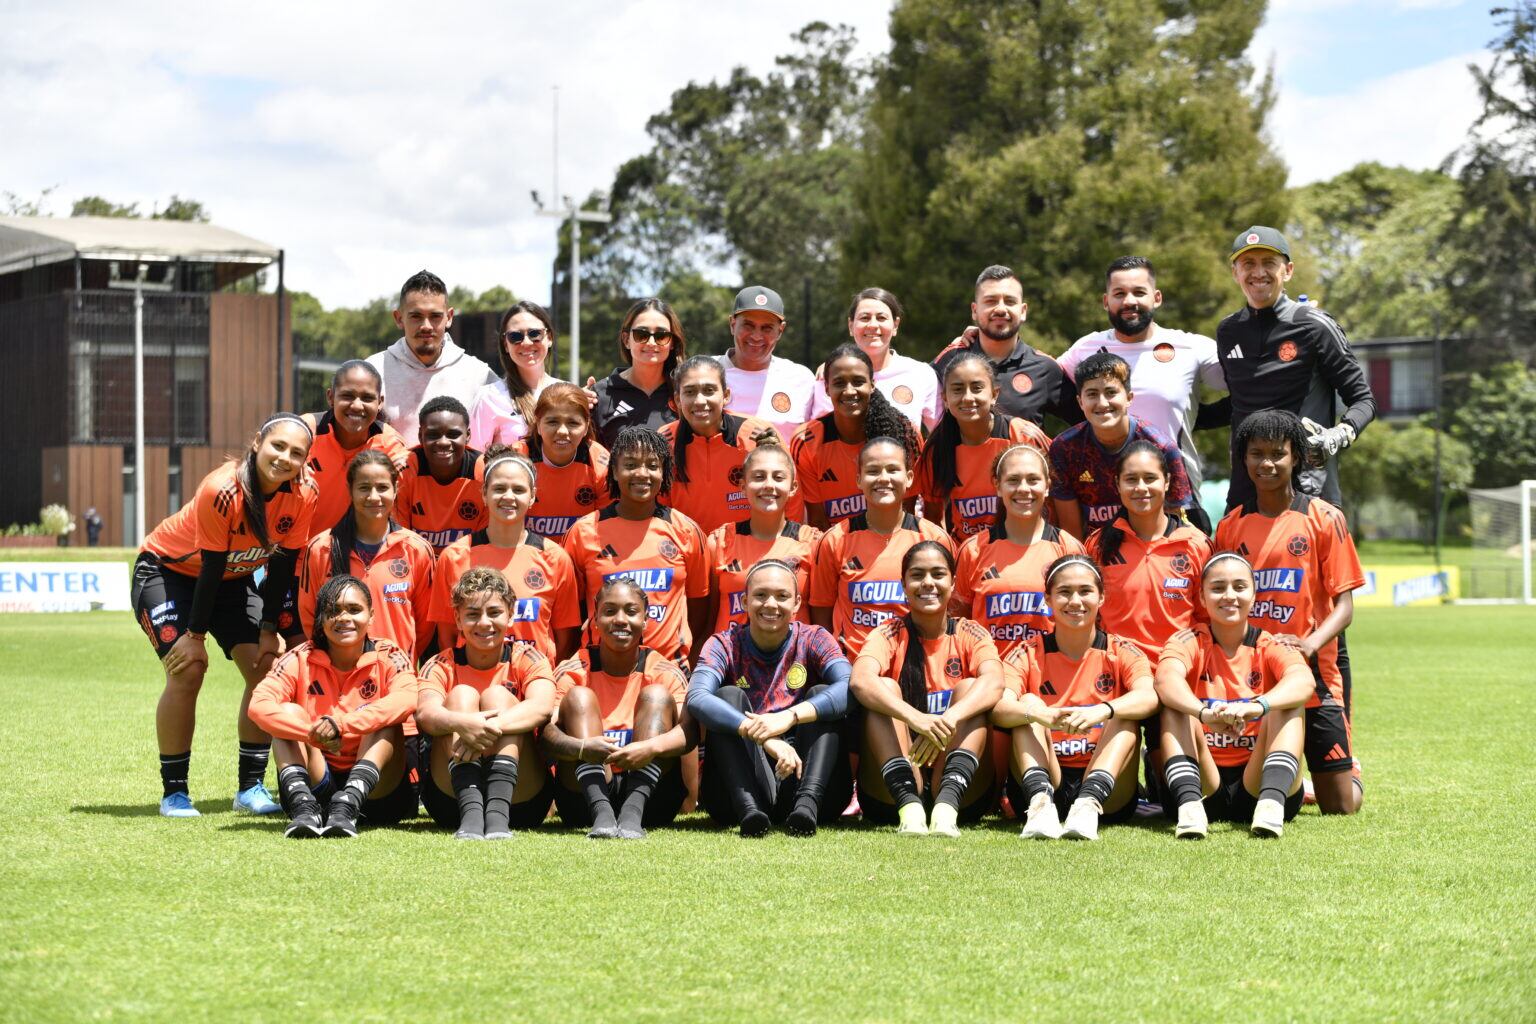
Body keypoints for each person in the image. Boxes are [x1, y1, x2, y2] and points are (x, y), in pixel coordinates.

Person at [136, 413, 319, 818]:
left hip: (234, 580)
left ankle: (250, 787)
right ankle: (175, 793)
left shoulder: (305, 492)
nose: (284, 458)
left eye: (296, 453)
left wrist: (270, 630)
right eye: (277, 446)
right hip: (169, 573)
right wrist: (194, 636)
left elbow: (284, 565)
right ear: (257, 443)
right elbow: (210, 566)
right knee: (188, 669)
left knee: (266, 668)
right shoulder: (222, 489)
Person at [1214, 409, 1364, 815]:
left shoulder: (1323, 517)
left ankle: (1348, 769)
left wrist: (1310, 644)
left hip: (1313, 674)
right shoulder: (1230, 526)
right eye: (1256, 454)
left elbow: (1345, 606)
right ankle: (1294, 777)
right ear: (1243, 460)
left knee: (1343, 806)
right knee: (1240, 793)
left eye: (1277, 453)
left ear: (1295, 456)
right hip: (1250, 678)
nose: (1266, 463)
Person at [992, 554, 1157, 840]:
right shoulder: (1028, 652)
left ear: (1101, 597)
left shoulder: (1121, 651)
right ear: (1048, 599)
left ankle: (1087, 806)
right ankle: (1041, 806)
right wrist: (1041, 715)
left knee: (1123, 715)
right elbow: (998, 706)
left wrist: (1102, 710)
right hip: (1048, 778)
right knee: (1028, 704)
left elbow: (1149, 696)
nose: (1075, 601)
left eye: (1085, 591)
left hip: (1107, 791)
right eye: (1064, 592)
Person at [1153, 552, 1315, 839]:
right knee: (1174, 707)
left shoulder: (1270, 643)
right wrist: (1204, 714)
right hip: (1206, 783)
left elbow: (1304, 681)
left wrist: (1258, 706)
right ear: (1201, 597)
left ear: (1254, 594)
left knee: (1288, 705)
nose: (1229, 596)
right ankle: (1189, 807)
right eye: (1217, 588)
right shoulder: (1189, 640)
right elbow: (1165, 680)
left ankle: (1270, 805)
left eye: (1240, 587)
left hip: (1258, 780)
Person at [1215, 227, 1376, 511]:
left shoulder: (1314, 325)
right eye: (1248, 264)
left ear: (1287, 270)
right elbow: (1239, 404)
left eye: (1269, 263)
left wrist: (1338, 435)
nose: (1258, 272)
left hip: (1307, 489)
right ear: (1235, 273)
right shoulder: (1228, 331)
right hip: (1246, 491)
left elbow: (1364, 400)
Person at [688, 559, 853, 837]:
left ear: (797, 603)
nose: (771, 604)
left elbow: (850, 685)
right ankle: (749, 811)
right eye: (761, 595)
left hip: (810, 781)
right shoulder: (724, 644)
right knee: (727, 695)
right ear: (744, 600)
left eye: (782, 596)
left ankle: (807, 806)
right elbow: (697, 696)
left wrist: (789, 717)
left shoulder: (814, 638)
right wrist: (763, 736)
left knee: (821, 694)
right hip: (734, 794)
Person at [1059, 257, 1226, 531]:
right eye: (1119, 294)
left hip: (1177, 501)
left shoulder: (1190, 347)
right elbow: (1035, 377)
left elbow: (1251, 381)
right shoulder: (1085, 349)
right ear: (1105, 301)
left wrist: (1201, 418)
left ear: (1156, 297)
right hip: (1103, 505)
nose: (1129, 301)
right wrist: (973, 343)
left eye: (1139, 292)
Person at [850, 542, 1004, 836]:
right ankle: (910, 810)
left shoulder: (970, 632)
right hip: (891, 792)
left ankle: (946, 809)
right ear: (903, 585)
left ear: (953, 582)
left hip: (964, 791)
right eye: (918, 575)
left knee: (971, 687)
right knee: (883, 687)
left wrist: (948, 720)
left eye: (938, 574)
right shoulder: (888, 633)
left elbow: (995, 682)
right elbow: (860, 680)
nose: (928, 583)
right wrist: (915, 718)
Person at [250, 575, 420, 838]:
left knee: (386, 718)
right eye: (333, 611)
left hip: (378, 794)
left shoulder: (389, 654)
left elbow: (408, 698)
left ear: (371, 616)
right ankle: (302, 808)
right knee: (288, 712)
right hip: (318, 783)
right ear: (320, 618)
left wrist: (341, 724)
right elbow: (258, 705)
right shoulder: (299, 657)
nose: (344, 618)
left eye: (354, 610)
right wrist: (311, 731)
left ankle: (349, 802)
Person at [543, 578, 694, 839]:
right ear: (595, 620)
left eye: (631, 611)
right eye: (610, 611)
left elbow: (690, 732)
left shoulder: (664, 670)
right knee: (579, 696)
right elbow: (546, 733)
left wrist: (650, 748)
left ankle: (631, 815)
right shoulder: (574, 669)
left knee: (657, 695)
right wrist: (582, 748)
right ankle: (602, 814)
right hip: (585, 798)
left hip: (651, 799)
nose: (621, 620)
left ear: (645, 620)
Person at [416, 567, 558, 839]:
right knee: (461, 696)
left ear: (511, 614)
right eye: (472, 614)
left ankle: (496, 816)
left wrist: (483, 727)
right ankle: (471, 816)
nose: (484, 623)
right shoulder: (441, 663)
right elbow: (425, 713)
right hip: (451, 804)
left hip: (521, 802)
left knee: (497, 697)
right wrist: (463, 722)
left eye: (494, 612)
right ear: (457, 619)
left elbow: (542, 708)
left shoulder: (529, 658)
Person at [562, 426, 709, 663]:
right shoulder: (583, 532)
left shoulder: (687, 530)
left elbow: (700, 606)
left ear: (664, 472)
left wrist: (686, 656)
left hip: (669, 669)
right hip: (601, 670)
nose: (642, 473)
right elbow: (569, 613)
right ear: (615, 471)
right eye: (630, 465)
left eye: (652, 466)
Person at [430, 450, 581, 665]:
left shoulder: (555, 558)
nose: (508, 496)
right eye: (499, 488)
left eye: (518, 490)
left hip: (535, 686)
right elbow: (446, 636)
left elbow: (565, 639)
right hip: (472, 688)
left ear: (532, 496)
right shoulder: (453, 557)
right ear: (484, 493)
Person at [808, 437, 954, 656]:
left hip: (915, 666)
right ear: (858, 480)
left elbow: (949, 610)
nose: (883, 478)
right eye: (873, 471)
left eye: (893, 470)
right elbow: (821, 611)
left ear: (909, 478)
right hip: (853, 670)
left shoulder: (934, 538)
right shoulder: (835, 540)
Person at [297, 451, 435, 660]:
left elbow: (425, 625)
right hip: (339, 678)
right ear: (350, 490)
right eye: (364, 488)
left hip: (396, 677)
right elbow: (310, 616)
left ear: (396, 489)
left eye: (382, 487)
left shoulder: (416, 549)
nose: (373, 496)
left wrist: (402, 657)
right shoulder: (320, 549)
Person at [952, 444, 1085, 658]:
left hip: (1050, 680)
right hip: (990, 677)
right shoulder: (973, 550)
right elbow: (959, 622)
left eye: (1033, 480)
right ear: (997, 485)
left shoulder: (1068, 549)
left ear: (1048, 486)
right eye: (1013, 480)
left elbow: (1084, 622)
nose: (1023, 488)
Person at [1086, 440, 1213, 658]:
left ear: (1167, 482)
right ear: (1117, 484)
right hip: (1118, 676)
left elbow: (1208, 618)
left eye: (1150, 478)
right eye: (1131, 479)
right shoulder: (1097, 545)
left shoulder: (1196, 544)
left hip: (1180, 675)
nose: (1141, 488)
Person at [1048, 351, 1195, 541]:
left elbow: (1173, 523)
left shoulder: (1162, 448)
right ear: (1080, 402)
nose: (1102, 403)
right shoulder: (1064, 448)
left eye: (1111, 392)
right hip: (1093, 551)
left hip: (1148, 549)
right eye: (1092, 394)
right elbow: (1071, 531)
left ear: (1129, 397)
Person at [915, 351, 1050, 540]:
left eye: (977, 388)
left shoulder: (1022, 435)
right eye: (958, 389)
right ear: (945, 398)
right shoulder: (936, 449)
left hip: (1025, 547)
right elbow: (933, 519)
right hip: (969, 555)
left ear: (994, 394)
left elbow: (1053, 502)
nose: (968, 397)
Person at [790, 344, 921, 530]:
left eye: (858, 381)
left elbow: (907, 514)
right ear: (827, 388)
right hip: (837, 547)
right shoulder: (806, 441)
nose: (849, 391)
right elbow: (817, 522)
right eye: (839, 383)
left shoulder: (905, 434)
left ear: (872, 384)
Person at [934, 265, 1080, 428]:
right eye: (991, 301)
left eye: (1010, 301)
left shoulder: (1045, 368)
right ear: (974, 310)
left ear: (1023, 311)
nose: (1001, 309)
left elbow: (1090, 424)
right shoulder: (949, 359)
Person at [365, 269, 498, 447]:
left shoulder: (480, 376)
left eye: (435, 316)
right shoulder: (372, 372)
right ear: (399, 318)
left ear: (449, 317)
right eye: (416, 316)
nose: (426, 326)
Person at [702, 445, 820, 636]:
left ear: (793, 488)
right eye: (758, 477)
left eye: (778, 477)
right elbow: (708, 618)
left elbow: (821, 620)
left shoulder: (813, 543)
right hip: (732, 662)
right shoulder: (719, 542)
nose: (769, 485)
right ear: (743, 486)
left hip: (794, 662)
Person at [658, 355, 780, 535]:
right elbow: (659, 509)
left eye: (709, 390)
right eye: (690, 392)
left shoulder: (759, 435)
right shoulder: (663, 441)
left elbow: (788, 501)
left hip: (747, 554)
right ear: (677, 400)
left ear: (726, 395)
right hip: (687, 552)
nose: (700, 401)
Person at [302, 360, 411, 536]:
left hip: (361, 557)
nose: (357, 406)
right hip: (298, 552)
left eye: (367, 398)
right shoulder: (305, 433)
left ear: (380, 402)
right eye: (347, 396)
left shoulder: (391, 445)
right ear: (330, 397)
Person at [810, 288, 941, 433]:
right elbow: (818, 437)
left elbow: (942, 434)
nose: (873, 325)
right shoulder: (827, 377)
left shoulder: (921, 374)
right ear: (850, 326)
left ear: (895, 325)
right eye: (864, 318)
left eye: (881, 318)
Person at [716, 285, 819, 443]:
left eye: (767, 328)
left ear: (780, 330)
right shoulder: (705, 372)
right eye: (748, 325)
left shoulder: (801, 378)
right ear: (732, 324)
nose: (756, 336)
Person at [514, 382, 612, 542]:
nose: (562, 431)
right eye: (552, 422)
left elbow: (606, 529)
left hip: (581, 553)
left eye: (573, 423)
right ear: (538, 424)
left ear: (586, 425)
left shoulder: (600, 463)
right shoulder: (516, 460)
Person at [393, 396, 486, 554]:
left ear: (468, 435)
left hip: (466, 565)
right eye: (433, 435)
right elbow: (399, 538)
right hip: (417, 562)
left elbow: (485, 543)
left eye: (453, 434)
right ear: (420, 436)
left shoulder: (484, 472)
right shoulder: (404, 470)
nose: (443, 442)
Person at [590, 298, 687, 449]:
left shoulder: (685, 391)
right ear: (626, 340)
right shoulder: (600, 395)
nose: (651, 342)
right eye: (641, 334)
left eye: (661, 335)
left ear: (672, 342)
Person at [468, 300, 562, 449]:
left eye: (535, 334)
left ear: (549, 338)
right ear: (506, 344)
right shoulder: (489, 397)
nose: (526, 342)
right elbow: (475, 459)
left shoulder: (567, 392)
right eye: (515, 336)